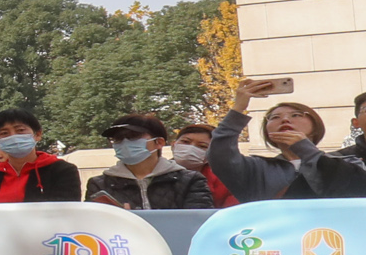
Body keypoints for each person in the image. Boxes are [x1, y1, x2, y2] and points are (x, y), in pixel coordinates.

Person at [209, 81, 366, 201]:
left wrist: (306, 150)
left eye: (296, 115)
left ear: (316, 126)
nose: (284, 119)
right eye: (274, 117)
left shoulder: (347, 161)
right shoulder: (255, 168)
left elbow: (353, 190)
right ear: (267, 131)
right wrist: (238, 108)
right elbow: (219, 155)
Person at [95, 112, 214, 210]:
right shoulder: (100, 184)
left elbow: (196, 222)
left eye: (134, 138)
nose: (125, 143)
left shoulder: (190, 180)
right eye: (118, 139)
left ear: (159, 142)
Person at [0, 108, 81, 203]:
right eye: (4, 133)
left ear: (38, 134)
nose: (13, 137)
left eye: (20, 130)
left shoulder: (62, 172)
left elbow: (66, 213)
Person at [158, 123, 236, 210]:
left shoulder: (227, 181)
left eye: (202, 146)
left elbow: (232, 213)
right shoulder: (154, 174)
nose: (191, 148)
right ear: (173, 145)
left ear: (213, 153)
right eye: (185, 142)